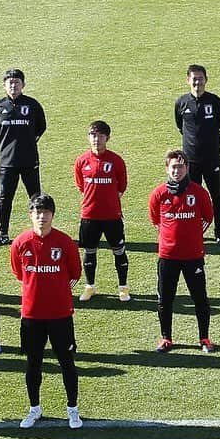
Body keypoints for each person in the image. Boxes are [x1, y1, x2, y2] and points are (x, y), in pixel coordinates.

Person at [10, 194, 83, 429]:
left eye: (46, 212)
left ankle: (73, 409)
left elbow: (74, 273)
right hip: (31, 315)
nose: (41, 217)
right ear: (30, 214)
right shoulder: (20, 243)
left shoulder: (65, 243)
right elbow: (19, 273)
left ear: (53, 215)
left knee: (66, 363)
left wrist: (57, 290)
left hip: (61, 314)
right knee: (33, 364)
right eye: (37, 212)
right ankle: (34, 409)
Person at [148, 150, 215, 353]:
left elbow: (207, 218)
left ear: (187, 168)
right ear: (167, 169)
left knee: (200, 298)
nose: (177, 170)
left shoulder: (199, 192)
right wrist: (171, 238)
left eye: (181, 166)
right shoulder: (159, 194)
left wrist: (192, 236)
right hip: (167, 256)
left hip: (193, 256)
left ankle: (204, 338)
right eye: (173, 167)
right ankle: (166, 338)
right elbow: (156, 221)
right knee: (165, 299)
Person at [0, 68, 47, 247]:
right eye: (10, 82)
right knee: (5, 198)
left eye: (17, 82)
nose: (13, 85)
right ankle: (3, 234)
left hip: (29, 160)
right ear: (4, 85)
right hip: (7, 162)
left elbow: (41, 127)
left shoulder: (32, 105)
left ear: (23, 85)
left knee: (36, 197)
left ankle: (40, 231)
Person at [74, 120, 131, 302]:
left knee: (119, 251)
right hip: (89, 216)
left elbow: (122, 186)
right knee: (89, 252)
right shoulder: (82, 161)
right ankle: (90, 286)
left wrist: (109, 201)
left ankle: (123, 287)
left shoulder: (116, 161)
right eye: (92, 135)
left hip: (112, 216)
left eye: (100, 135)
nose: (96, 139)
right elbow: (81, 186)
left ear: (107, 137)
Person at [174, 64, 220, 242]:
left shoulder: (215, 101)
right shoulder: (182, 102)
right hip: (191, 161)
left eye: (200, 78)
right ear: (188, 80)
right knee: (192, 196)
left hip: (212, 159)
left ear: (206, 79)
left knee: (216, 195)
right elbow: (180, 126)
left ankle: (219, 232)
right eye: (194, 79)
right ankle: (196, 230)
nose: (198, 82)